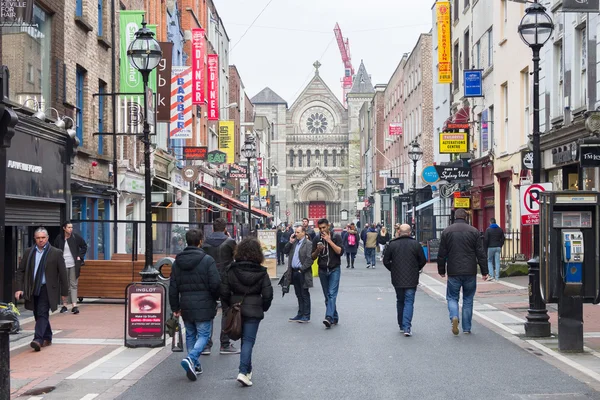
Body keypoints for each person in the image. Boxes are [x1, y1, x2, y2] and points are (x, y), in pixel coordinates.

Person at [220, 238, 273, 387]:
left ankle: (247, 370)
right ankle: (243, 372)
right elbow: (268, 294)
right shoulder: (262, 272)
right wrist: (262, 306)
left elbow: (223, 290)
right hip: (254, 308)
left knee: (245, 340)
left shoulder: (231, 269)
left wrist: (227, 307)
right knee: (248, 341)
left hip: (236, 307)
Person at [170, 228, 221, 381]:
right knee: (204, 335)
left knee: (191, 334)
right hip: (204, 303)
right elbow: (215, 283)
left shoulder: (178, 262)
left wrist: (175, 307)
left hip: (185, 304)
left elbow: (173, 287)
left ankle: (195, 365)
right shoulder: (207, 260)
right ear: (200, 242)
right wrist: (215, 298)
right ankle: (191, 358)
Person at [15, 227, 68, 351]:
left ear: (47, 238)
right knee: (37, 314)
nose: (41, 240)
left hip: (47, 289)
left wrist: (64, 293)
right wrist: (19, 288)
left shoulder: (56, 252)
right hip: (32, 287)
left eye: (43, 238)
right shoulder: (29, 252)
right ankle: (47, 336)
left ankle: (37, 339)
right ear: (35, 238)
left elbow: (63, 274)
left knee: (42, 312)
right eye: (38, 238)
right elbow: (20, 271)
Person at [437, 209, 488, 335]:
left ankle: (454, 316)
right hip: (470, 270)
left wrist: (441, 270)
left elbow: (441, 253)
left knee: (452, 297)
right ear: (466, 217)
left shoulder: (447, 231)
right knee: (468, 299)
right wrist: (484, 271)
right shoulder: (474, 231)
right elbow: (480, 253)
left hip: (454, 270)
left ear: (455, 217)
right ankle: (466, 328)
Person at [202, 217, 239, 355]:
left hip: (209, 279)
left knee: (208, 312)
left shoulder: (205, 243)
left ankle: (206, 344)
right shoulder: (230, 242)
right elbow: (237, 258)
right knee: (226, 311)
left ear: (212, 228)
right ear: (225, 229)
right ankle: (224, 343)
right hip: (226, 279)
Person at [383, 224, 427, 337]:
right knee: (409, 301)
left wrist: (393, 269)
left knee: (400, 300)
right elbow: (423, 260)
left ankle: (401, 325)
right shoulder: (415, 244)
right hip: (412, 277)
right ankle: (407, 327)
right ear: (409, 232)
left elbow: (386, 260)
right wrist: (416, 268)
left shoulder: (392, 244)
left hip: (397, 277)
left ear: (399, 232)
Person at [311, 218, 344, 329]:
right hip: (322, 270)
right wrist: (317, 250)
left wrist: (329, 241)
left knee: (331, 294)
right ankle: (334, 316)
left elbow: (340, 252)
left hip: (334, 269)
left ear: (328, 226)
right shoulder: (316, 238)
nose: (322, 230)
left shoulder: (336, 237)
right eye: (320, 228)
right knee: (327, 296)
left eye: (324, 227)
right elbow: (312, 257)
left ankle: (328, 317)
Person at [53, 221, 88, 314]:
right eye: (69, 227)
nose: (71, 229)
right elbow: (54, 249)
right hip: (63, 264)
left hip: (73, 264)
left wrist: (80, 256)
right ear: (64, 228)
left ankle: (74, 305)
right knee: (65, 285)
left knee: (73, 284)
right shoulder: (59, 238)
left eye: (71, 227)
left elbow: (84, 246)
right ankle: (64, 305)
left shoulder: (76, 237)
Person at [283, 225, 313, 322]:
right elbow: (285, 251)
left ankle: (306, 315)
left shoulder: (308, 243)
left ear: (304, 233)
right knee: (298, 294)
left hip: (302, 272)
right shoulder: (294, 242)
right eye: (295, 232)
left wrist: (301, 269)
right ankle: (300, 314)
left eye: (298, 232)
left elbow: (309, 259)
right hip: (294, 272)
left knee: (304, 294)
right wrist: (290, 242)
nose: (296, 234)